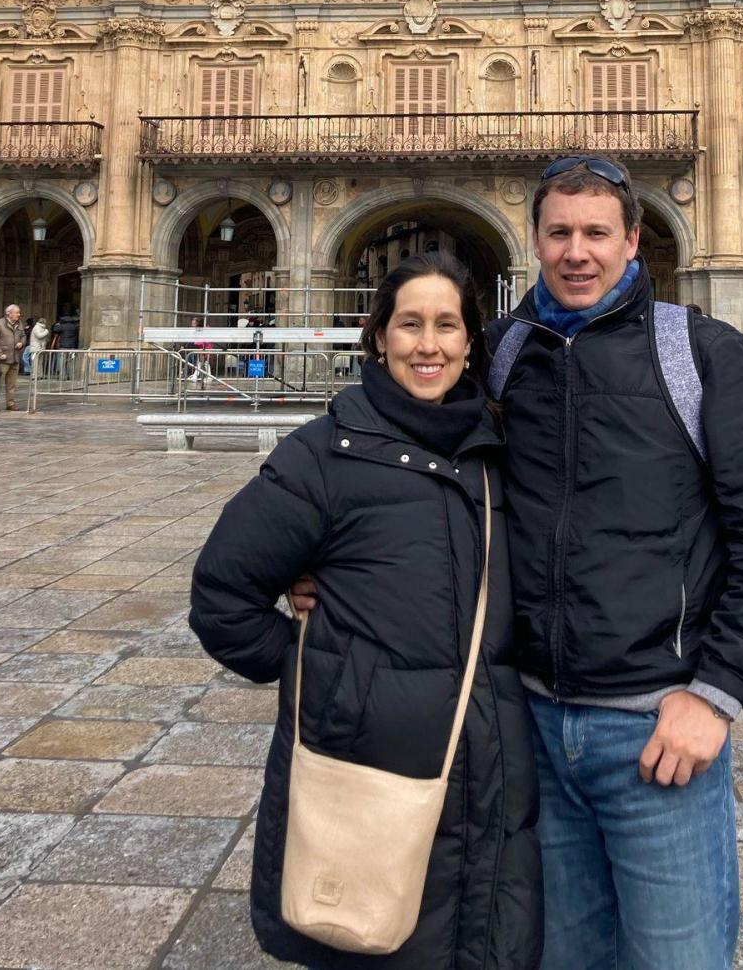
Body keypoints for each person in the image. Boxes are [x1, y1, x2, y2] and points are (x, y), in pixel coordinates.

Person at [487, 157, 743, 970]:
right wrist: (328, 563)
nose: (576, 252)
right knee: (563, 958)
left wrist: (716, 696)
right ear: (535, 238)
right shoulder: (499, 356)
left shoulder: (699, 353)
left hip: (654, 734)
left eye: (597, 232)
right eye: (559, 232)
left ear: (633, 240)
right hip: (531, 722)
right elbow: (414, 479)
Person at [190, 254, 542, 970]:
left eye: (447, 326)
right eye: (409, 324)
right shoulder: (321, 457)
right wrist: (320, 667)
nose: (428, 344)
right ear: (378, 336)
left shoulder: (504, 456)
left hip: (497, 772)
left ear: (472, 342)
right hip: (368, 774)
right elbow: (221, 597)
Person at [0, 304, 26, 411]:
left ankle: (10, 403)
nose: (19, 314)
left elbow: (23, 335)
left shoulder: (19, 323)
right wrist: (0, 353)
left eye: (19, 312)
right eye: (17, 312)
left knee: (12, 384)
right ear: (9, 313)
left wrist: (21, 343)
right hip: (2, 360)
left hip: (14, 358)